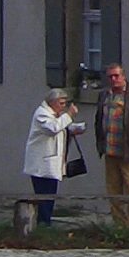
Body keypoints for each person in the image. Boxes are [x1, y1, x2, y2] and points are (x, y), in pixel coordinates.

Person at [93, 63, 129, 228]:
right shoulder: (105, 95)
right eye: (110, 76)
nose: (113, 79)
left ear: (124, 76)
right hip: (110, 149)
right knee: (113, 189)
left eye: (116, 76)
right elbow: (99, 119)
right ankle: (119, 223)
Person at [21, 89, 76, 226]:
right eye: (61, 103)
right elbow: (52, 128)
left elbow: (60, 128)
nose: (63, 107)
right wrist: (69, 115)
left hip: (51, 163)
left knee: (50, 194)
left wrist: (73, 128)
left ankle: (46, 220)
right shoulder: (42, 114)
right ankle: (43, 222)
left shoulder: (54, 114)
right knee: (44, 195)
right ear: (53, 103)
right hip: (42, 164)